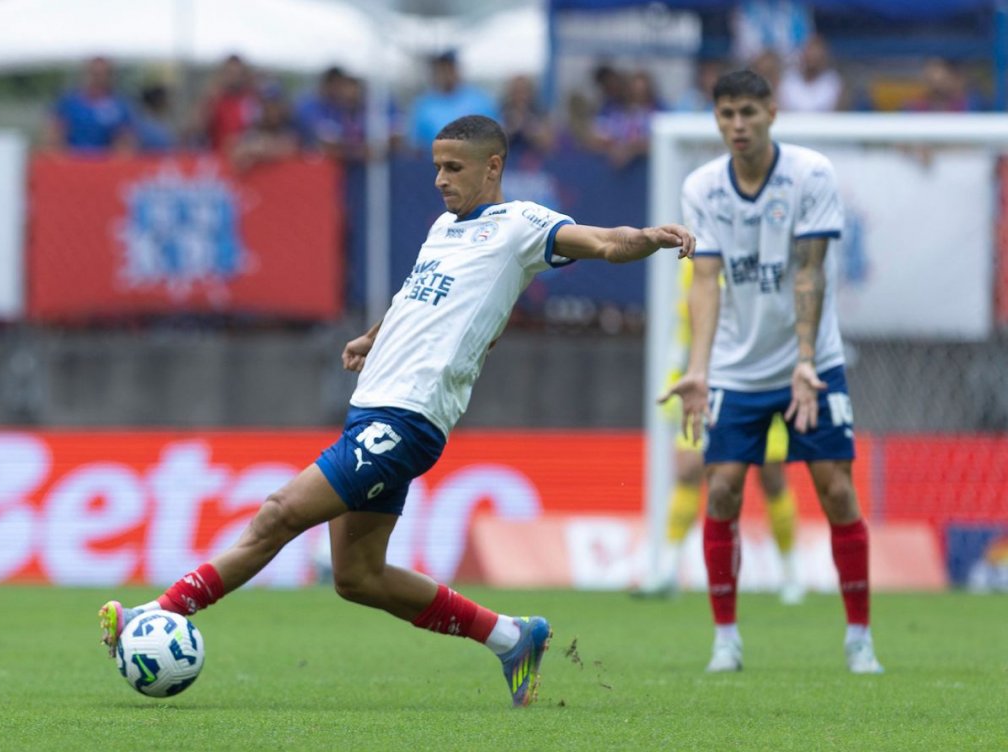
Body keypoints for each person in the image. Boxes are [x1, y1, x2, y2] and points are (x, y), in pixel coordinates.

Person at [97, 114, 695, 708]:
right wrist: (372, 337)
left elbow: (603, 241)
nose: (439, 178)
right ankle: (513, 638)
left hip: (406, 422)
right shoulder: (442, 228)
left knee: (279, 513)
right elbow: (418, 296)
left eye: (453, 167)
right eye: (436, 165)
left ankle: (155, 612)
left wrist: (648, 237)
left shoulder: (522, 224)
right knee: (358, 577)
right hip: (372, 410)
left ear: (493, 167)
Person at [661, 69, 882, 675]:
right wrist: (698, 370)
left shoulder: (810, 175)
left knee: (835, 489)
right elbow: (704, 281)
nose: (738, 125)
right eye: (726, 114)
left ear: (772, 113)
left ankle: (859, 636)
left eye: (748, 113)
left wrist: (806, 362)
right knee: (724, 487)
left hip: (813, 365)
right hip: (736, 369)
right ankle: (725, 639)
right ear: (716, 119)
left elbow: (810, 272)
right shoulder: (702, 186)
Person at [636, 260, 803, 605]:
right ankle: (667, 570)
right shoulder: (696, 264)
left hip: (761, 380)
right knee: (688, 468)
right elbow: (684, 328)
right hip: (706, 381)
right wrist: (672, 374)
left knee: (771, 476)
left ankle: (790, 574)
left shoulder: (764, 257)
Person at [407, 51, 498, 152]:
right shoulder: (423, 106)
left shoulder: (480, 101)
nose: (446, 75)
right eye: (441, 70)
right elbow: (415, 144)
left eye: (449, 69)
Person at [43, 56, 134, 153]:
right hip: (72, 162)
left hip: (105, 163)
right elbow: (54, 137)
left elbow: (125, 143)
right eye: (94, 74)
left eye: (103, 74)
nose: (98, 78)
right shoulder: (68, 103)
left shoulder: (119, 106)